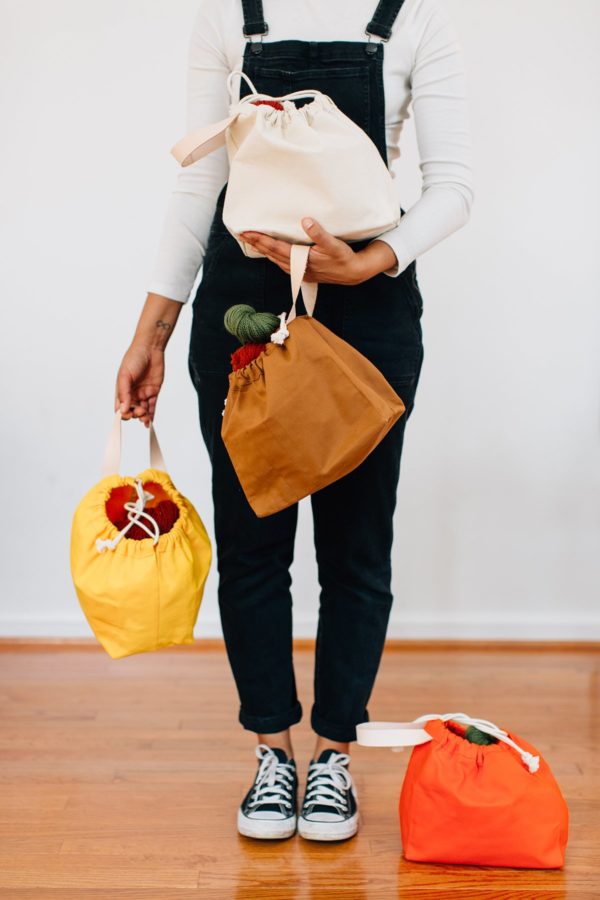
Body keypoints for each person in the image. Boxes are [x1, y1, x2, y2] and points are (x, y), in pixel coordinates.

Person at [114, 0, 473, 842]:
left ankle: (334, 750)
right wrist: (151, 333)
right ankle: (273, 751)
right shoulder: (228, 17)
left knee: (356, 548)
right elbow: (200, 179)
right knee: (253, 541)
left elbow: (453, 187)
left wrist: (371, 262)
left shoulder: (415, 18)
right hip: (242, 306)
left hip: (370, 307)